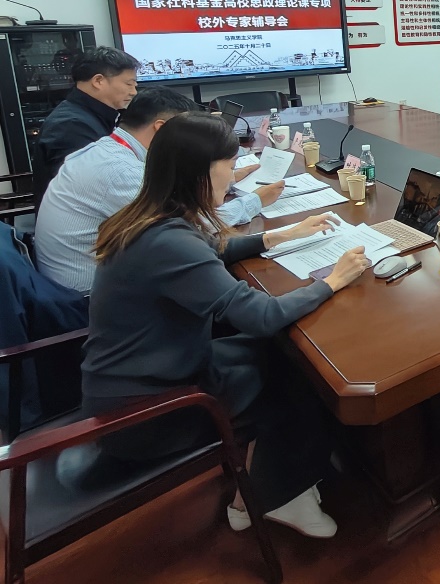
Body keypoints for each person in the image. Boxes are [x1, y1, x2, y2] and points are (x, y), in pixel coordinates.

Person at [82, 112, 369, 537]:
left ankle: (270, 483)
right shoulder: (168, 240)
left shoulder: (150, 216)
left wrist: (278, 236)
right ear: (199, 173)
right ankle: (278, 498)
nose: (234, 175)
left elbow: (209, 251)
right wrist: (332, 280)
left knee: (285, 357)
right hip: (148, 412)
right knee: (303, 377)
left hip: (149, 371)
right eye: (229, 166)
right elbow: (261, 315)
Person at [35, 88, 284, 294]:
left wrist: (224, 178)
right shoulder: (122, 173)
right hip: (88, 299)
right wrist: (254, 201)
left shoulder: (109, 150)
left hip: (91, 279)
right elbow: (195, 226)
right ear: (161, 128)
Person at [32, 46, 140, 207]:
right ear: (98, 81)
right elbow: (91, 189)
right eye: (129, 84)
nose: (133, 92)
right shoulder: (71, 125)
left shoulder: (94, 115)